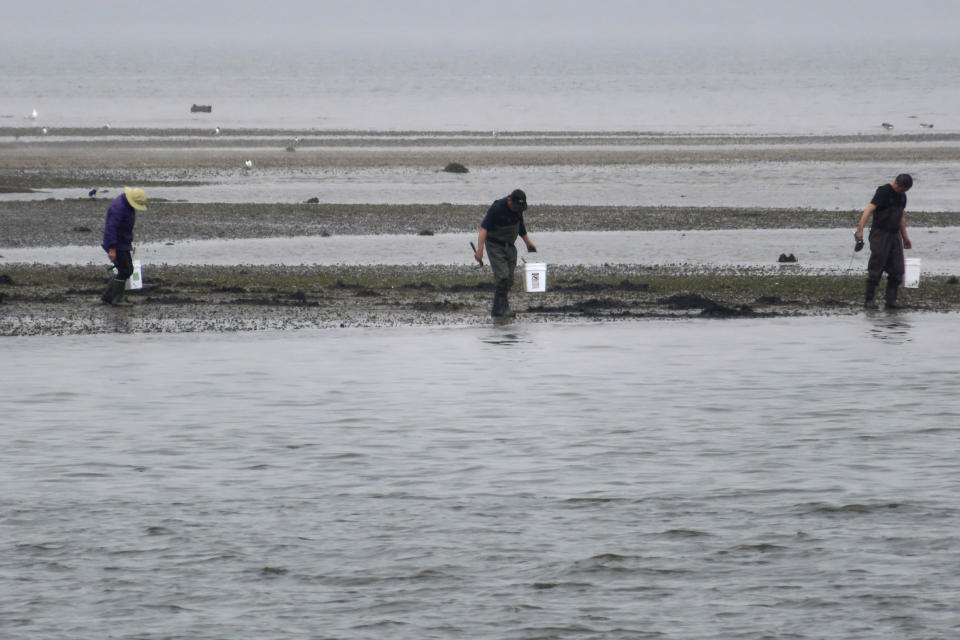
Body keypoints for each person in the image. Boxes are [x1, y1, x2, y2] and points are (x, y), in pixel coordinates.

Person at [474, 189, 537, 318]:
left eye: (520, 207)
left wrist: (528, 243)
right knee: (502, 276)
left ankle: (500, 308)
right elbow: (483, 229)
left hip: (510, 246)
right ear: (509, 200)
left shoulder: (518, 210)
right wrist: (479, 251)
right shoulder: (497, 208)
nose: (517, 209)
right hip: (494, 245)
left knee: (509, 279)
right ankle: (499, 310)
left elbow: (521, 227)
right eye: (515, 206)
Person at [854, 173, 913, 309]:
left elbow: (901, 218)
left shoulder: (902, 196)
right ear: (897, 183)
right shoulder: (883, 191)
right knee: (877, 265)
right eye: (903, 189)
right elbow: (868, 210)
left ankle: (890, 301)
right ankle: (869, 300)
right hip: (880, 234)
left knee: (898, 268)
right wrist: (860, 230)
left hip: (894, 235)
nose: (904, 193)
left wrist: (905, 238)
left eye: (906, 191)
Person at [101, 187, 147, 307]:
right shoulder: (119, 208)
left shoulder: (127, 205)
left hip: (122, 242)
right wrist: (112, 248)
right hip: (115, 243)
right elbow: (111, 229)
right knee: (125, 270)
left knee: (127, 269)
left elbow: (125, 227)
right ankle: (116, 299)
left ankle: (107, 296)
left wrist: (128, 243)